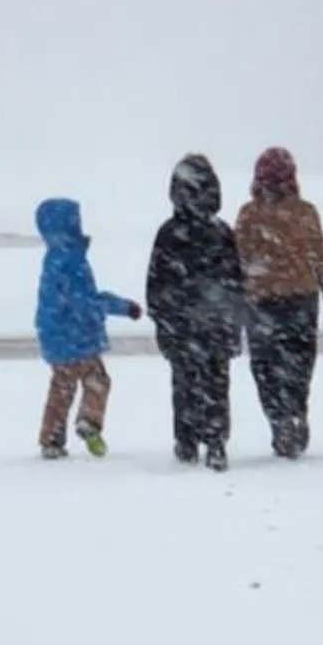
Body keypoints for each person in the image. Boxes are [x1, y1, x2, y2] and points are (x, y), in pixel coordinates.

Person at [233, 146, 323, 458]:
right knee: (298, 365)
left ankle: (280, 419)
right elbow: (321, 259)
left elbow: (235, 263)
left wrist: (233, 304)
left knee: (266, 368)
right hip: (299, 300)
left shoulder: (249, 215)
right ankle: (294, 412)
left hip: (262, 302)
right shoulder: (304, 212)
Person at [145, 153, 244, 469]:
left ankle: (187, 439)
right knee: (216, 383)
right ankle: (215, 440)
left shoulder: (168, 234)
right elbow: (235, 283)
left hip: (182, 324)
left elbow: (156, 284)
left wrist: (162, 320)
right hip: (213, 323)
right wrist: (233, 323)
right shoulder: (221, 233)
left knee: (184, 382)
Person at [33, 198, 141, 459]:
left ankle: (52, 438)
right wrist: (121, 307)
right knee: (97, 380)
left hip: (55, 339)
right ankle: (89, 421)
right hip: (77, 337)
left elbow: (56, 302)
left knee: (61, 387)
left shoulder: (52, 259)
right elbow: (86, 302)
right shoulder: (73, 261)